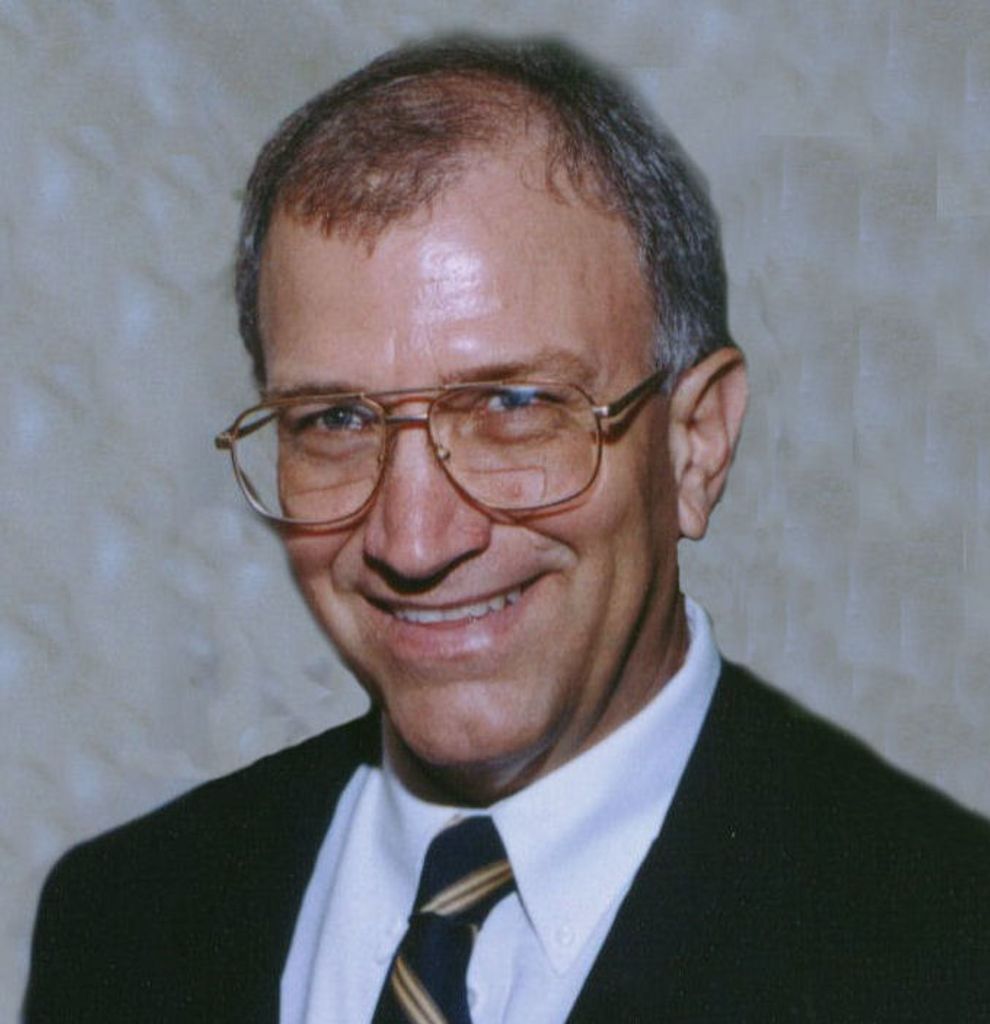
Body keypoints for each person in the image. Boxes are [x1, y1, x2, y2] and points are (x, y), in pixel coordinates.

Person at [24, 34, 990, 1023]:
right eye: (336, 420)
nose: (412, 540)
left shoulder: (943, 951)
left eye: (514, 406)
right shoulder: (123, 919)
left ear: (695, 445)